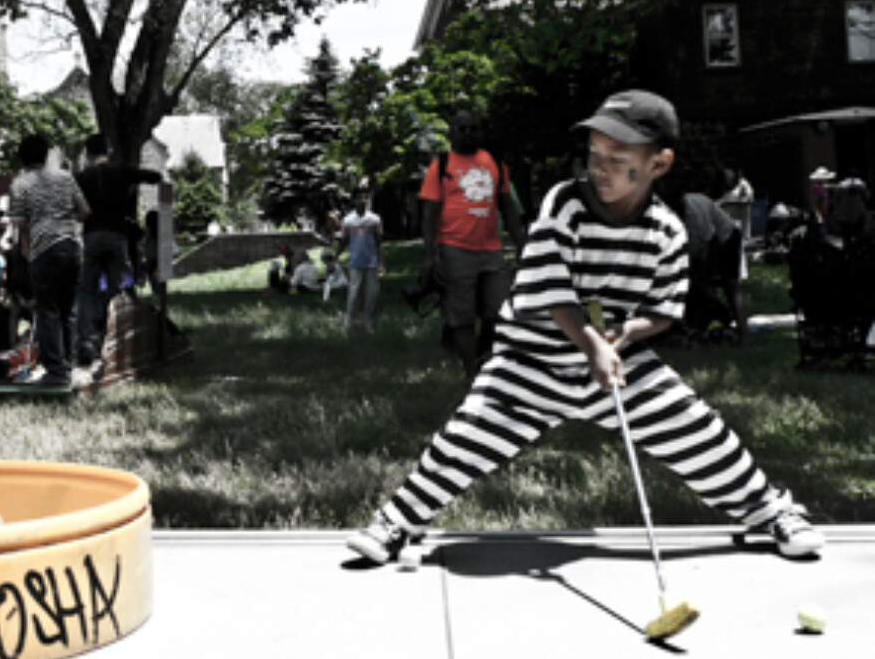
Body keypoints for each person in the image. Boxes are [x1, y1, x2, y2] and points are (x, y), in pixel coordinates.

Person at [348, 90, 824, 566]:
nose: (601, 167)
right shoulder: (565, 203)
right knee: (466, 438)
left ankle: (771, 512)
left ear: (658, 164)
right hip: (529, 361)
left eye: (618, 158)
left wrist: (626, 335)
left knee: (698, 430)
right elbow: (553, 290)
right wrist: (591, 342)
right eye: (595, 154)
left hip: (616, 363)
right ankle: (399, 520)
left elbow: (665, 309)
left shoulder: (667, 232)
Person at [419, 108, 527, 379]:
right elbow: (429, 212)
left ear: (481, 132)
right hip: (455, 250)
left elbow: (509, 209)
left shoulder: (494, 163)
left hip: (491, 250)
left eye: (473, 128)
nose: (468, 133)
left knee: (500, 312)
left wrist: (525, 246)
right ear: (452, 133)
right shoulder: (441, 165)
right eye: (462, 128)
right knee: (462, 317)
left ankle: (483, 353)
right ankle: (471, 374)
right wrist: (430, 256)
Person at [9, 132, 91, 387]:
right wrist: (66, 224)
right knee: (68, 310)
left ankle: (56, 371)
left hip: (43, 249)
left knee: (48, 310)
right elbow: (85, 210)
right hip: (73, 246)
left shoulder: (20, 184)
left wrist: (27, 249)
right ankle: (68, 363)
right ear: (46, 155)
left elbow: (21, 225)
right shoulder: (66, 177)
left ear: (22, 159)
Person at [74, 133, 162, 362]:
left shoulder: (81, 177)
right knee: (117, 290)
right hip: (117, 235)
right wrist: (129, 186)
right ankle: (116, 339)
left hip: (92, 235)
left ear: (87, 154)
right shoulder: (121, 171)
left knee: (86, 290)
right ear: (109, 151)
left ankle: (86, 340)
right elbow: (155, 176)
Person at [676, 192, 747, 344]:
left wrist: (702, 275)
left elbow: (710, 243)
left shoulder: (694, 215)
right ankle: (698, 324)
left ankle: (742, 331)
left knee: (730, 284)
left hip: (727, 235)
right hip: (709, 241)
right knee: (695, 284)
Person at [338, 189, 383, 331]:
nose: (362, 201)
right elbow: (344, 240)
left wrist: (382, 263)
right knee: (353, 294)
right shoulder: (348, 221)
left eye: (365, 198)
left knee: (371, 295)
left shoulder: (375, 220)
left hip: (372, 263)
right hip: (355, 263)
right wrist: (336, 255)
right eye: (359, 198)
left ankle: (368, 322)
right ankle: (348, 322)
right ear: (354, 201)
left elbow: (379, 243)